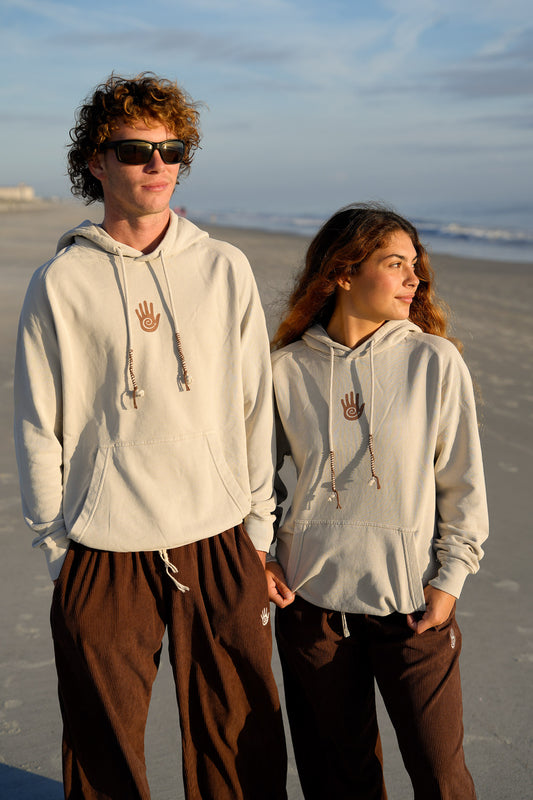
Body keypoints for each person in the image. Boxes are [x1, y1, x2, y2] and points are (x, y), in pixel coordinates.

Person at [14, 72, 287, 800]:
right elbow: (40, 425)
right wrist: (56, 548)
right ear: (96, 162)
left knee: (239, 743)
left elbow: (254, 407)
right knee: (102, 752)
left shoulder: (223, 267)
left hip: (221, 535)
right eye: (136, 150)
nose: (157, 165)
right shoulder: (61, 282)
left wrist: (257, 529)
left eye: (173, 149)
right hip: (103, 547)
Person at [266, 203, 489, 799]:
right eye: (396, 264)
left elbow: (462, 483)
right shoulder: (285, 370)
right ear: (343, 272)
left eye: (415, 265)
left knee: (442, 780)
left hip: (414, 608)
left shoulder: (434, 362)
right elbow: (254, 482)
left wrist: (451, 580)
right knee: (339, 783)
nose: (415, 279)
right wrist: (262, 553)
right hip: (313, 611)